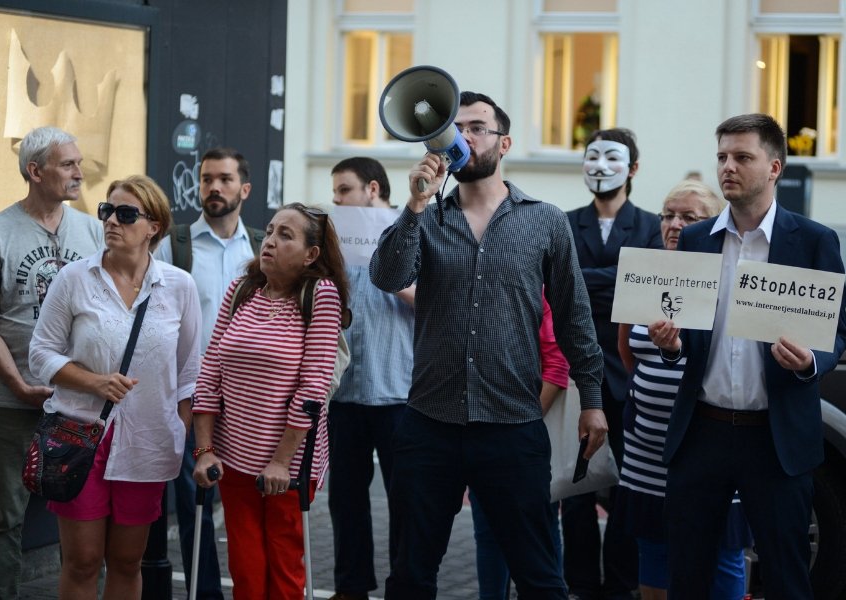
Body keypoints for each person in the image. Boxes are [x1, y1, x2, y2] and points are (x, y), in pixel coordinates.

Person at [370, 90, 607, 600]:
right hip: (430, 425)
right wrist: (415, 204)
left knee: (539, 577)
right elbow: (387, 276)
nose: (463, 137)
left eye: (477, 128)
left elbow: (574, 317)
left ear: (505, 144)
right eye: (455, 129)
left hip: (512, 426)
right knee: (410, 575)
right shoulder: (428, 217)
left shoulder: (545, 220)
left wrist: (592, 400)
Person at [647, 114, 846, 599]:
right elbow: (688, 335)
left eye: (742, 157)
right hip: (703, 431)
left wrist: (809, 362)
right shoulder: (696, 239)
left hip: (775, 437)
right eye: (722, 157)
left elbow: (835, 334)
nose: (727, 167)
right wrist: (672, 346)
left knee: (786, 574)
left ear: (774, 167)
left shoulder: (814, 240)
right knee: (687, 573)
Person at [28, 174, 202, 598]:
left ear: (154, 226)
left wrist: (178, 430)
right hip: (80, 436)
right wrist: (94, 382)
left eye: (126, 214)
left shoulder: (179, 286)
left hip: (148, 442)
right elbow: (40, 354)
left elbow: (189, 373)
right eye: (107, 211)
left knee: (126, 561)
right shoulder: (74, 278)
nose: (111, 221)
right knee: (83, 561)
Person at [192, 202, 349, 600]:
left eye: (286, 235)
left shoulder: (320, 295)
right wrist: (204, 450)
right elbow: (210, 372)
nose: (270, 241)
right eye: (271, 231)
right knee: (245, 569)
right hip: (233, 455)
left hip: (289, 464)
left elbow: (313, 387)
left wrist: (280, 461)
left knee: (283, 570)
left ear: (311, 254)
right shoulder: (241, 290)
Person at [616, 180, 751, 600]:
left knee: (722, 550)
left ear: (713, 224)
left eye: (689, 217)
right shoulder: (644, 273)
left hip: (710, 441)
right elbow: (627, 351)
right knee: (654, 547)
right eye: (668, 215)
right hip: (647, 448)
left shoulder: (730, 276)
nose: (675, 224)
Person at [0, 126, 104, 600]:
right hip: (12, 403)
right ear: (35, 171)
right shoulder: (1, 232)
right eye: (68, 164)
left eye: (79, 163)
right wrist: (19, 385)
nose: (79, 173)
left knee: (85, 515)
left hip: (80, 405)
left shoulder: (94, 231)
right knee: (5, 517)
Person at [155, 146, 263, 600]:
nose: (213, 188)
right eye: (206, 179)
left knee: (244, 501)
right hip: (189, 397)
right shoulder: (174, 245)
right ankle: (205, 593)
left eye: (224, 179)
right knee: (192, 502)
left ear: (245, 189)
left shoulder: (261, 247)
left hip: (246, 401)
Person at [564, 128, 662, 600]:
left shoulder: (651, 226)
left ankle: (621, 587)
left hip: (630, 373)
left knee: (628, 486)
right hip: (577, 373)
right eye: (592, 156)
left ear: (633, 168)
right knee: (575, 486)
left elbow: (649, 284)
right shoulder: (564, 222)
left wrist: (583, 280)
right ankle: (580, 584)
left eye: (612, 158)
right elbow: (557, 284)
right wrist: (623, 276)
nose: (600, 167)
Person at [327, 157, 413, 600]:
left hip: (399, 391)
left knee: (406, 501)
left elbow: (439, 301)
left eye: (344, 190)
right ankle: (351, 587)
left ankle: (405, 587)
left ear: (373, 189)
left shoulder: (412, 230)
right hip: (344, 391)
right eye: (335, 192)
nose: (337, 200)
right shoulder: (334, 238)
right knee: (345, 500)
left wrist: (392, 276)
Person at [469, 293, 568, 599]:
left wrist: (523, 425)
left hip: (524, 439)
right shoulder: (470, 291)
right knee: (488, 532)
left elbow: (557, 367)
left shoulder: (538, 291)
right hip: (480, 432)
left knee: (540, 533)